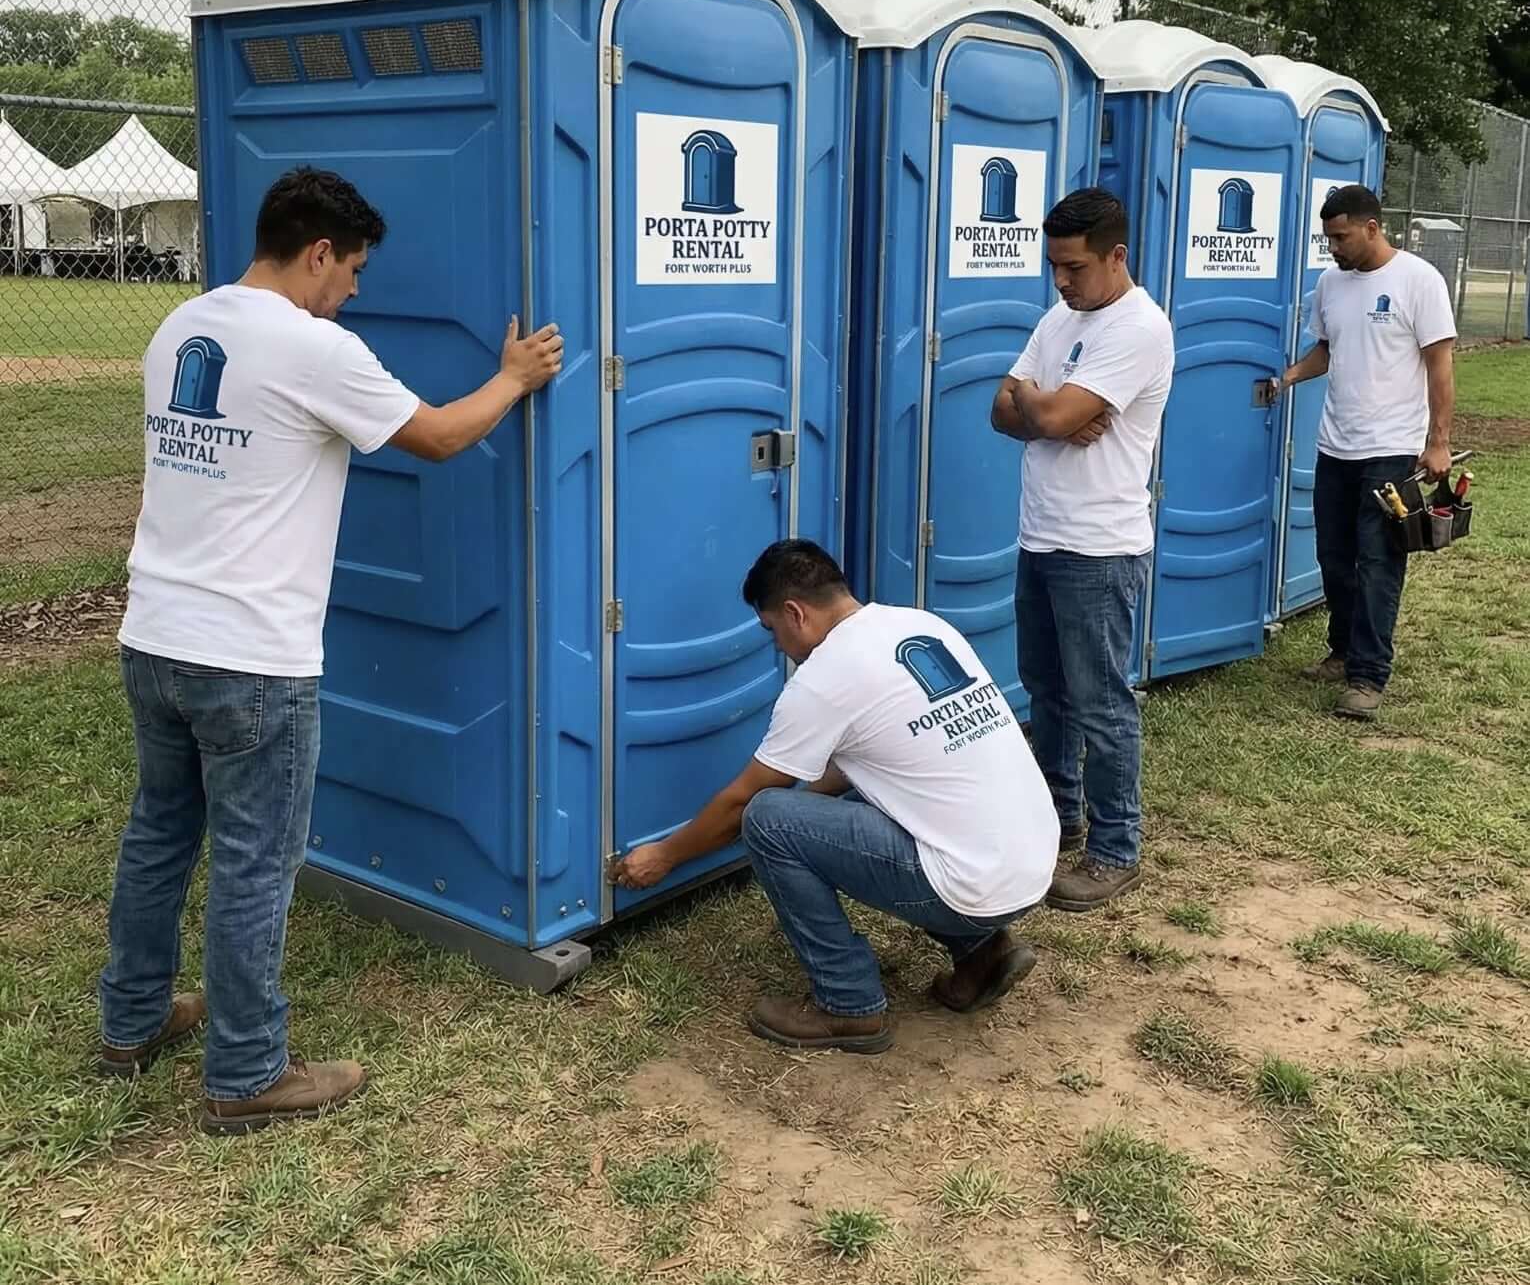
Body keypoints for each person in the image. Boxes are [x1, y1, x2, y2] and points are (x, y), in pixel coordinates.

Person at [99, 167, 564, 1133]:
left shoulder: (182, 326)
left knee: (158, 836)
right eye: (351, 271)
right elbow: (435, 437)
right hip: (251, 657)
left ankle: (131, 1021)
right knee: (256, 861)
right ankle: (245, 1072)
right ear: (317, 254)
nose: (354, 291)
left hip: (155, 636)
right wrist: (514, 379)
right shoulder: (314, 347)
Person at [608, 540, 1059, 1053]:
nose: (779, 647)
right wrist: (810, 815)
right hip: (1030, 860)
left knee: (768, 819)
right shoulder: (919, 626)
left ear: (795, 613)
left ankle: (848, 1004)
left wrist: (665, 855)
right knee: (825, 810)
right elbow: (861, 767)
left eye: (773, 630)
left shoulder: (825, 678)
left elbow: (743, 806)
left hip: (971, 885)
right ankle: (984, 953)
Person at [990, 187, 1173, 913]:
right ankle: (1058, 817)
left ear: (1115, 255)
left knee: (1100, 701)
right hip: (1042, 534)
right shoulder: (1062, 316)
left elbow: (1041, 406)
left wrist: (1045, 403)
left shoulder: (1139, 327)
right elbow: (1000, 411)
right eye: (1054, 266)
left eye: (1073, 266)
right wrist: (1049, 411)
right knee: (1047, 689)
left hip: (1099, 547)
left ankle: (1115, 847)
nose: (1061, 281)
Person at [1272, 184, 1455, 720]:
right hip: (1336, 445)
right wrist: (1289, 376)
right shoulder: (1330, 283)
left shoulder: (1418, 280)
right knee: (1333, 555)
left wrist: (1438, 441)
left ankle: (1368, 675)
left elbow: (1440, 364)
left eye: (1341, 236)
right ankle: (1343, 648)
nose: (1333, 247)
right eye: (1328, 238)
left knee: (1378, 560)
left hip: (1391, 447)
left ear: (1372, 227)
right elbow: (1327, 350)